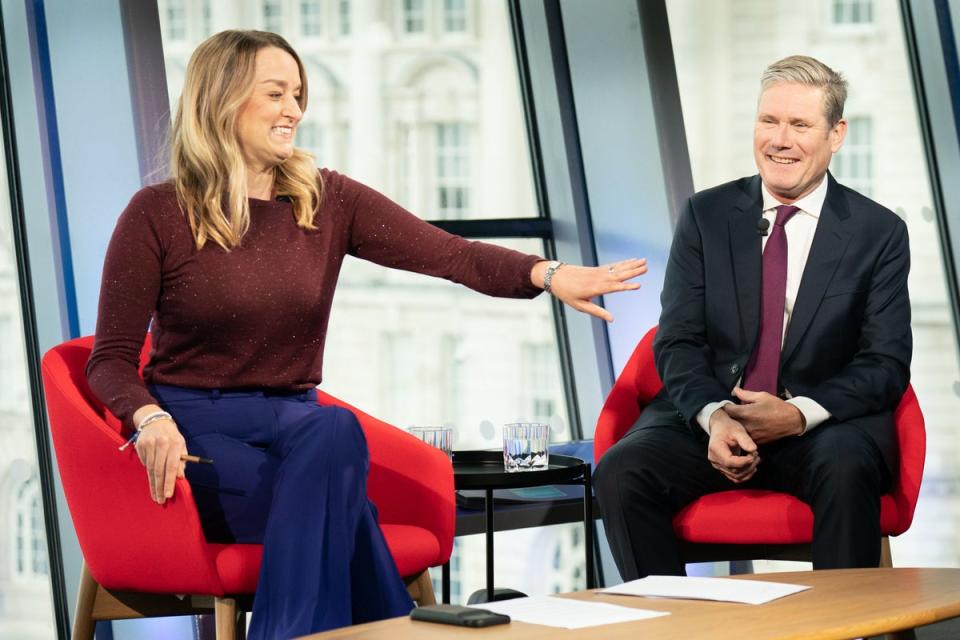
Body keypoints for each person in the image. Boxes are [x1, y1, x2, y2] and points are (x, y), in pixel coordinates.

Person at [85, 30, 646, 639]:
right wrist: (148, 417)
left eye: (298, 94)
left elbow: (449, 255)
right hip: (203, 438)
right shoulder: (157, 214)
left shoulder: (325, 201)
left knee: (331, 435)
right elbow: (109, 359)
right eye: (276, 94)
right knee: (341, 482)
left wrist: (547, 273)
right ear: (222, 101)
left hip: (303, 432)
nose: (293, 111)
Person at [594, 55, 911, 580]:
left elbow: (884, 363)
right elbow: (677, 340)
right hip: (713, 419)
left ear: (836, 135)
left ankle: (838, 634)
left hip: (819, 426)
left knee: (847, 467)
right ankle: (673, 628)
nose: (780, 140)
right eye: (769, 121)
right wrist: (715, 416)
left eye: (800, 125)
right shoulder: (706, 215)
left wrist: (797, 414)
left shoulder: (877, 233)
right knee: (622, 472)